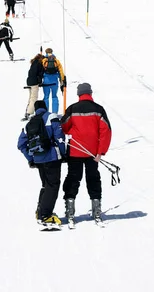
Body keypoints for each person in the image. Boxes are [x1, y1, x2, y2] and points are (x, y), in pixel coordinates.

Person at [60, 82, 112, 226]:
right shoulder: (98, 109)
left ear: (78, 94)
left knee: (72, 179)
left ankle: (70, 211)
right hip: (93, 153)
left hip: (75, 150)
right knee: (93, 179)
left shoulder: (72, 109)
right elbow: (106, 131)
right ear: (90, 93)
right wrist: (101, 152)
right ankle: (96, 211)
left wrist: (70, 130)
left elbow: (63, 127)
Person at [17, 100, 66, 229]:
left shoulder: (30, 123)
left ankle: (40, 212)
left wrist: (31, 158)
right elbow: (59, 136)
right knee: (53, 186)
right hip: (52, 157)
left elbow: (20, 144)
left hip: (38, 159)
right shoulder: (51, 117)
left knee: (45, 185)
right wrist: (63, 153)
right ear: (45, 107)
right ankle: (46, 215)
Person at [41, 48, 65, 114]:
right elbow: (61, 71)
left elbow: (40, 70)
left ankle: (46, 112)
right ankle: (55, 112)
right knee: (54, 96)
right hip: (54, 81)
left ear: (46, 53)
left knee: (46, 97)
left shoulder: (43, 60)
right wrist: (61, 80)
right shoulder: (56, 61)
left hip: (46, 81)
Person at [22, 53, 45, 121]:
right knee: (34, 98)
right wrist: (40, 81)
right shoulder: (39, 64)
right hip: (34, 82)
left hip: (29, 81)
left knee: (30, 97)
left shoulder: (33, 62)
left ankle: (27, 111)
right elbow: (40, 74)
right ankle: (30, 113)